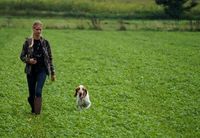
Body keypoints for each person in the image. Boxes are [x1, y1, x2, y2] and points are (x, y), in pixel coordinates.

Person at [20, 20, 56, 114]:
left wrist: (52, 72)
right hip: (30, 71)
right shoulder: (27, 42)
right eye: (37, 29)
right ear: (33, 29)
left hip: (42, 70)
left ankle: (37, 113)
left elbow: (50, 58)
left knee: (38, 91)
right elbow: (22, 56)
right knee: (31, 95)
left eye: (40, 29)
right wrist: (29, 60)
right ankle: (33, 107)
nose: (39, 31)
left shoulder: (45, 43)